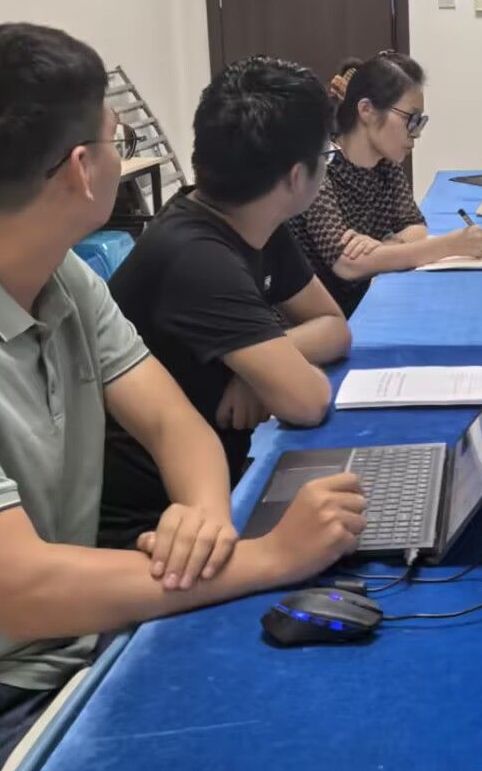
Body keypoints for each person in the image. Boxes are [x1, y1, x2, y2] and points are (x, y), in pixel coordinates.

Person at [0, 26, 365, 771]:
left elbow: (175, 424)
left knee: (286, 732)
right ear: (83, 169)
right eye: (119, 139)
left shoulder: (59, 277)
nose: (125, 158)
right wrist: (270, 556)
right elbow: (22, 590)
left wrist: (202, 519)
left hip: (62, 647)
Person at [99, 57, 353, 552]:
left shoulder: (254, 219)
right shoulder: (195, 256)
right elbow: (307, 401)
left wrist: (258, 366)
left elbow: (333, 326)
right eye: (327, 155)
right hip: (160, 532)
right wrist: (273, 369)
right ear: (296, 176)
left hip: (213, 494)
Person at [291, 52, 482, 316]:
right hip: (320, 319)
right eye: (410, 119)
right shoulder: (320, 166)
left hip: (363, 304)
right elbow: (347, 264)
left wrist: (383, 247)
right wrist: (450, 246)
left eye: (420, 122)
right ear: (366, 110)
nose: (416, 134)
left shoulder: (386, 164)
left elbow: (416, 227)